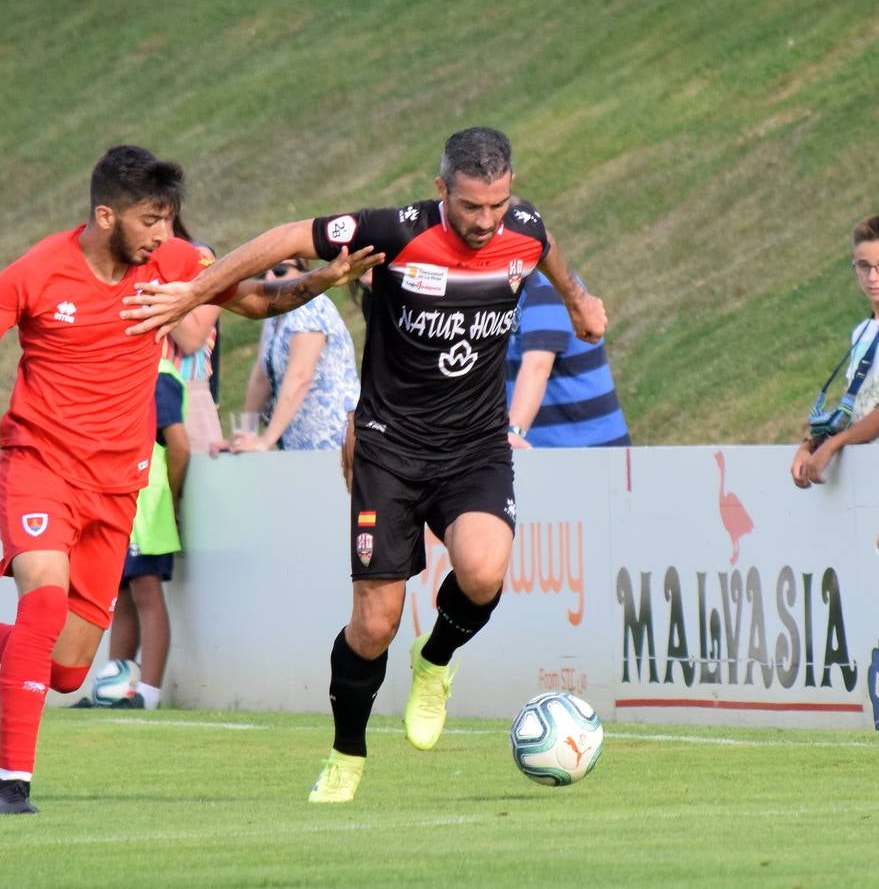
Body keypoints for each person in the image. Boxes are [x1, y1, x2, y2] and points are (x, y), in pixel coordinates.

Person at [120, 126, 607, 803]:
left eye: (496, 205)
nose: (485, 221)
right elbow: (290, 237)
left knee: (484, 569)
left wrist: (579, 299)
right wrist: (194, 291)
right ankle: (346, 755)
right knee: (374, 624)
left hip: (474, 445)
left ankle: (434, 660)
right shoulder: (397, 232)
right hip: (390, 449)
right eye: (470, 206)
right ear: (441, 191)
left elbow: (545, 249)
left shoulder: (521, 228)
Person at [0, 144, 378, 815]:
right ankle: (11, 787)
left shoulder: (174, 263)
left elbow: (252, 298)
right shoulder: (37, 271)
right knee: (43, 605)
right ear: (106, 215)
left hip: (117, 488)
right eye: (150, 219)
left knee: (67, 670)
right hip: (39, 468)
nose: (164, 234)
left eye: (168, 219)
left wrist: (320, 280)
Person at [79, 358, 189, 710]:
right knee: (120, 592)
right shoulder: (113, 367)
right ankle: (115, 688)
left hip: (147, 503)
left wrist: (171, 498)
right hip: (114, 500)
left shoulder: (160, 374)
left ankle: (148, 694)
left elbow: (179, 445)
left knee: (146, 589)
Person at [230, 257, 360, 452]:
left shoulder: (311, 306)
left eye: (280, 270)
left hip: (332, 437)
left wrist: (266, 441)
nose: (269, 277)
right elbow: (261, 377)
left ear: (303, 272)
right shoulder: (275, 314)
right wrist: (247, 433)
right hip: (297, 438)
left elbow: (300, 377)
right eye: (261, 274)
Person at [791, 214, 879, 488]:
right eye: (864, 266)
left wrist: (831, 447)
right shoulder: (863, 331)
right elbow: (855, 409)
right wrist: (811, 444)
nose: (872, 277)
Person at [505, 270, 630, 448]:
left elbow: (537, 367)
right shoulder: (501, 292)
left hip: (587, 456)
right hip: (545, 454)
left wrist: (513, 433)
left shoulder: (543, 288)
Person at [164, 215, 224, 454]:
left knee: (197, 489)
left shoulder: (200, 257)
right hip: (133, 399)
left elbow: (191, 338)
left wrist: (157, 273)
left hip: (188, 397)